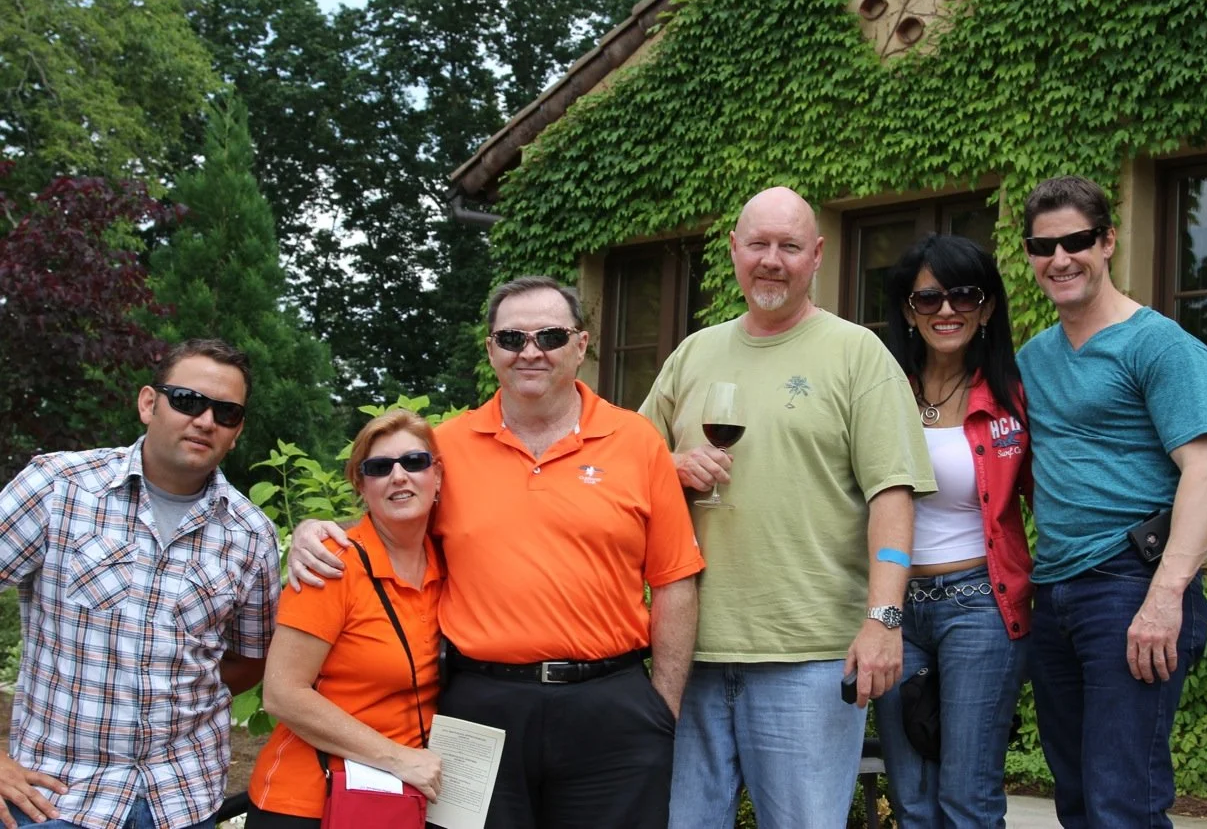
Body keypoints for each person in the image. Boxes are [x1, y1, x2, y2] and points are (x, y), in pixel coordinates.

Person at [287, 276, 704, 829]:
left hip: (613, 707)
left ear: (580, 347)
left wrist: (662, 708)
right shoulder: (447, 449)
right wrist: (317, 529)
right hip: (479, 707)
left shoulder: (636, 441)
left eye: (550, 336)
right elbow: (390, 521)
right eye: (512, 339)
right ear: (491, 351)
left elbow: (675, 578)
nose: (530, 352)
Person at [638, 186, 937, 829]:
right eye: (758, 244)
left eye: (789, 246)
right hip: (687, 651)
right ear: (734, 250)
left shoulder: (859, 355)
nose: (771, 260)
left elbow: (893, 495)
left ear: (817, 254)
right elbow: (628, 473)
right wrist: (669, 469)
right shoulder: (693, 354)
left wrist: (884, 619)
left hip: (809, 655)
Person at [1018, 175, 1207, 827]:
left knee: (1123, 803)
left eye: (1077, 241)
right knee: (1080, 801)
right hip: (1052, 591)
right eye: (1043, 246)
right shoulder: (1031, 358)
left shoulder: (1160, 346)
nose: (1060, 259)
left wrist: (1164, 597)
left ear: (1108, 241)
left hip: (1129, 585)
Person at [0, 339, 279, 829]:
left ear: (236, 431)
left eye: (227, 412)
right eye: (188, 401)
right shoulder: (58, 488)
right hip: (56, 799)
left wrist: (180, 695)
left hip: (182, 798)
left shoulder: (250, 534)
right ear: (149, 403)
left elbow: (252, 657)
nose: (206, 420)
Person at [871, 234, 1033, 827]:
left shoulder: (1015, 395)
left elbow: (1054, 493)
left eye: (963, 295)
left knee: (967, 798)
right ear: (909, 313)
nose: (946, 310)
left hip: (980, 608)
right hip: (894, 610)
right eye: (928, 298)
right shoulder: (880, 393)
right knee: (912, 798)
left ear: (986, 307)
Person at [245, 410, 445, 828]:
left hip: (395, 799)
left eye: (414, 462)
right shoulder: (330, 565)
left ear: (437, 476)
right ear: (360, 484)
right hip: (311, 803)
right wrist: (398, 758)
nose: (399, 476)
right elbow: (282, 693)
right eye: (379, 468)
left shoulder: (448, 562)